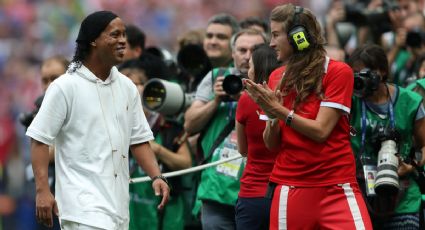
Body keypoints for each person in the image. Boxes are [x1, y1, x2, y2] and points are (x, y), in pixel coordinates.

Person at [26, 11, 170, 229]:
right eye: (115, 35)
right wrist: (42, 191)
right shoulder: (65, 86)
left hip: (119, 209)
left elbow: (139, 139)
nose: (123, 40)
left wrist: (156, 176)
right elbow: (39, 139)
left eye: (124, 35)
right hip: (81, 209)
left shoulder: (128, 87)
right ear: (93, 40)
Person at [243, 4, 373, 229]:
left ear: (298, 36)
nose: (271, 43)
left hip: (338, 187)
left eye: (276, 35)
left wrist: (279, 111)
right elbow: (271, 145)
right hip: (291, 187)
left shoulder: (338, 71)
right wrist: (272, 118)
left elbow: (321, 131)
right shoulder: (275, 77)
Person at [184, 28, 266, 230]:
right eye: (242, 50)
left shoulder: (273, 82)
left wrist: (246, 101)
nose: (247, 56)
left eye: (254, 50)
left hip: (259, 189)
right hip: (216, 188)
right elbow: (190, 125)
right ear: (233, 53)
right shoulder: (217, 77)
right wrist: (216, 100)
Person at [348, 44, 425, 229]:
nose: (360, 79)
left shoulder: (410, 102)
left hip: (402, 196)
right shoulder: (349, 100)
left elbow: (424, 146)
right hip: (359, 193)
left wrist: (411, 166)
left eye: (365, 73)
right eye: (355, 73)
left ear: (382, 71)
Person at [235, 44, 279, 230]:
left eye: (251, 66)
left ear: (259, 69)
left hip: (253, 194)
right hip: (285, 193)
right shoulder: (290, 100)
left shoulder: (246, 100)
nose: (249, 71)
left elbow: (242, 149)